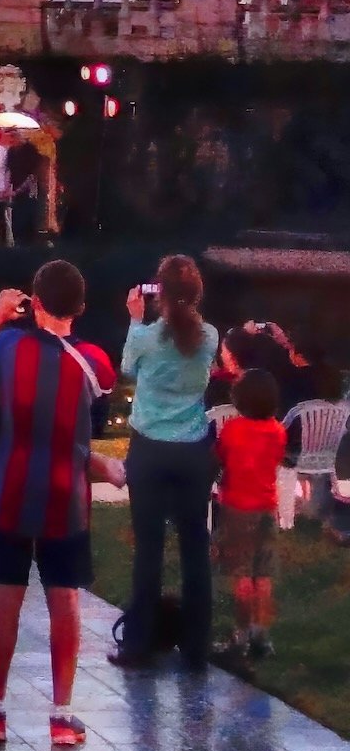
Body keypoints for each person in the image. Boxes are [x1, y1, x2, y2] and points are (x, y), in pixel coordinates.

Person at [0, 262, 115, 749]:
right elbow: (93, 427)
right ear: (81, 309)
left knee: (7, 600)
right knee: (64, 599)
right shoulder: (96, 365)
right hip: (67, 499)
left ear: (35, 303)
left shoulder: (7, 348)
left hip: (9, 493)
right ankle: (62, 716)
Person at [111, 255, 221, 671]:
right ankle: (196, 648)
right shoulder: (209, 336)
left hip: (151, 448)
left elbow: (126, 370)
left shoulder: (146, 337)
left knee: (149, 550)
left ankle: (138, 645)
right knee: (195, 547)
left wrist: (135, 319)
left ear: (160, 293)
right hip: (192, 449)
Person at [214, 367, 288, 664]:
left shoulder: (233, 429)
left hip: (237, 510)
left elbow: (220, 458)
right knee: (263, 575)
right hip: (267, 508)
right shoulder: (278, 431)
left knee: (242, 576)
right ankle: (261, 636)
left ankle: (240, 637)